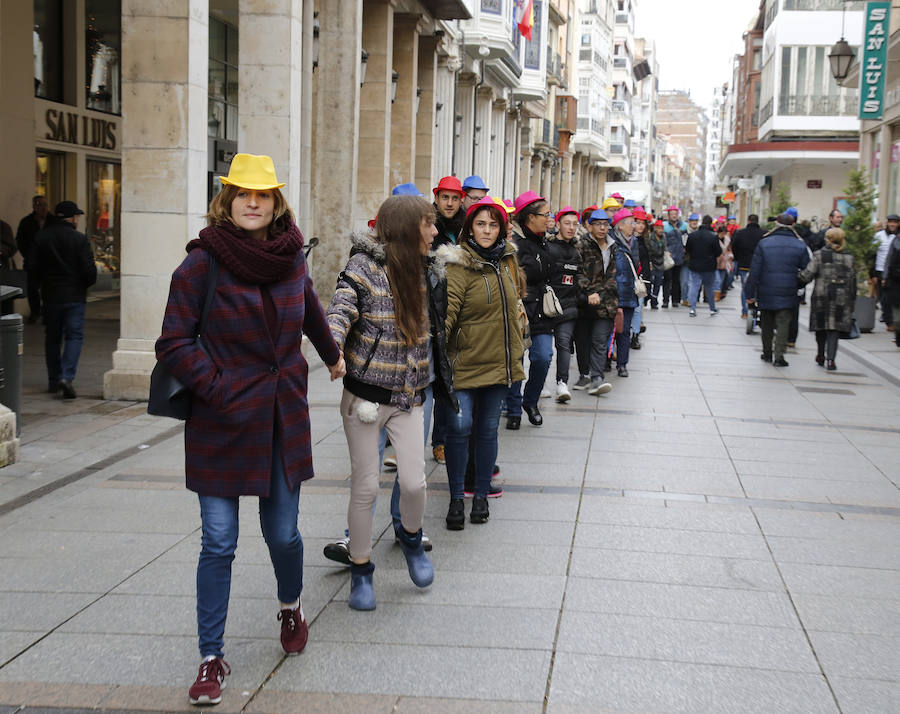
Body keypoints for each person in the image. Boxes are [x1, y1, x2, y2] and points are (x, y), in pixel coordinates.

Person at [155, 154, 344, 705]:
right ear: (228, 200)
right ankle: (210, 657)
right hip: (221, 419)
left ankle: (290, 604)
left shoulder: (291, 259)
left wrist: (332, 355)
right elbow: (173, 342)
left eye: (262, 195)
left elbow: (310, 309)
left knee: (283, 534)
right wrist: (217, 387)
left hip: (282, 415)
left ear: (276, 203)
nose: (253, 202)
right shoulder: (200, 263)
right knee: (219, 540)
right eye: (243, 193)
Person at [326, 194, 436, 611]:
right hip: (365, 399)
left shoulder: (427, 270)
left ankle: (411, 538)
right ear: (408, 228)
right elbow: (340, 310)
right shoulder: (363, 268)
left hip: (408, 397)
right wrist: (332, 348)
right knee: (367, 486)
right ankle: (361, 570)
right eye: (427, 223)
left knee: (413, 482)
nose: (434, 231)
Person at [440, 196, 525, 527]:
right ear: (470, 228)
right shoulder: (458, 265)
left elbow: (514, 308)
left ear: (501, 229)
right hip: (464, 364)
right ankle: (455, 499)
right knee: (459, 428)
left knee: (488, 431)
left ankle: (479, 497)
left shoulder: (506, 261)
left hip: (498, 365)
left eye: (493, 225)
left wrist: (517, 350)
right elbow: (447, 315)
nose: (487, 230)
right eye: (480, 224)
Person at [31, 201, 97, 399]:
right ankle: (66, 377)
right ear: (73, 218)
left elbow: (32, 267)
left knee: (52, 338)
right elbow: (89, 271)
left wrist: (41, 286)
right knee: (74, 336)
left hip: (51, 296)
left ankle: (53, 380)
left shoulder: (42, 237)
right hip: (74, 296)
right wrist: (83, 285)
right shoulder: (79, 239)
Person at [505, 190, 553, 428]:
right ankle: (513, 410)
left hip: (542, 310)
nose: (549, 219)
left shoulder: (544, 241)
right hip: (520, 309)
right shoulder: (514, 243)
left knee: (543, 357)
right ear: (530, 217)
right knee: (516, 361)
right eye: (546, 215)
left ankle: (530, 401)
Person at [745, 213, 810, 366]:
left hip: (766, 289)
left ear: (776, 225)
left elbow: (755, 270)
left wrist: (749, 293)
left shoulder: (764, 243)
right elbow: (807, 271)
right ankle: (779, 356)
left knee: (767, 322)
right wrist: (798, 285)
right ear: (792, 225)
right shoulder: (800, 245)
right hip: (788, 290)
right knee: (783, 323)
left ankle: (767, 353)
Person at [798, 228, 855, 371]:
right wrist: (852, 299)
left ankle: (820, 354)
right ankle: (831, 359)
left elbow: (808, 275)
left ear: (827, 239)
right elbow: (852, 280)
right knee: (834, 328)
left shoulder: (819, 255)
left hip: (821, 295)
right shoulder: (848, 257)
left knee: (821, 326)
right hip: (841, 297)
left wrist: (797, 276)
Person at [575, 209, 616, 395]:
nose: (602, 228)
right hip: (585, 303)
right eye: (598, 224)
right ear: (589, 226)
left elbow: (613, 275)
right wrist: (589, 292)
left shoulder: (613, 246)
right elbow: (577, 272)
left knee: (600, 341)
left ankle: (597, 378)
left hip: (607, 303)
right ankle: (584, 374)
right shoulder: (581, 245)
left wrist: (601, 294)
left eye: (605, 224)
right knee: (583, 342)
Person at [548, 206, 582, 401]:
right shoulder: (548, 247)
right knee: (542, 351)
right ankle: (540, 383)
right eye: (567, 223)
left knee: (563, 343)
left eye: (575, 224)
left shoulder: (577, 251)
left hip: (569, 306)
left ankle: (562, 383)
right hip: (547, 306)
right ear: (558, 224)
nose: (571, 228)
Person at [610, 208, 639, 377]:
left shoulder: (635, 243)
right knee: (609, 330)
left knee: (625, 330)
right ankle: (606, 360)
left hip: (629, 294)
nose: (633, 226)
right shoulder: (611, 243)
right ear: (620, 226)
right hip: (612, 294)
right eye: (630, 223)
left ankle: (622, 364)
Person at [15, 195, 51, 323]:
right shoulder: (26, 222)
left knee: (48, 289)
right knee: (32, 288)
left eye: (45, 205)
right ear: (34, 206)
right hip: (32, 262)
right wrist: (28, 255)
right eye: (40, 205)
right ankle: (35, 312)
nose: (43, 208)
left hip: (50, 262)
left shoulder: (53, 221)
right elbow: (20, 240)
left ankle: (47, 314)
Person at [685, 216, 722, 317]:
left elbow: (687, 249)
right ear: (710, 224)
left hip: (694, 265)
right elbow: (718, 252)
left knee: (694, 286)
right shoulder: (713, 236)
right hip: (709, 266)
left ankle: (692, 309)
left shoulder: (692, 235)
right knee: (709, 288)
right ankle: (712, 309)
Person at [732, 214, 765, 319]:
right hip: (760, 266)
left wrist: (738, 258)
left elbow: (734, 246)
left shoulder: (740, 233)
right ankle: (757, 310)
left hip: (744, 265)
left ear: (748, 221)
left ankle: (745, 312)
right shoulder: (764, 234)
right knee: (759, 288)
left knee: (745, 287)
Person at [874, 214, 899, 331]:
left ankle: (893, 320)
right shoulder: (879, 236)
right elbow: (873, 254)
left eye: (895, 222)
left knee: (894, 298)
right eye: (890, 222)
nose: (892, 224)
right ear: (887, 222)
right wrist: (873, 273)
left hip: (895, 272)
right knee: (884, 299)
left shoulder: (898, 237)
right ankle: (890, 322)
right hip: (881, 271)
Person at [630, 209, 650, 350]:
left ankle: (635, 336)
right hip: (629, 279)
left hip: (640, 281)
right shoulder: (629, 240)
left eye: (643, 223)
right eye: (638, 222)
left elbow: (646, 263)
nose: (641, 226)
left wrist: (647, 281)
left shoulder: (643, 240)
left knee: (638, 309)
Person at [432, 176, 466, 249]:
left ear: (460, 202)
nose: (449, 203)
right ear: (436, 199)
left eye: (455, 198)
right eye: (445, 197)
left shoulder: (467, 225)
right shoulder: (426, 224)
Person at [662, 206, 686, 308]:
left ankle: (675, 300)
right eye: (672, 214)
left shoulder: (684, 226)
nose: (674, 216)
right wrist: (665, 251)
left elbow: (686, 240)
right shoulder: (664, 226)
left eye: (675, 214)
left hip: (679, 257)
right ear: (668, 215)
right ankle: (665, 301)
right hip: (668, 257)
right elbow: (662, 240)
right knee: (667, 280)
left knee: (677, 280)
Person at [882, 225, 900, 348]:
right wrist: (885, 276)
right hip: (896, 282)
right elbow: (888, 260)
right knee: (897, 319)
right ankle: (898, 335)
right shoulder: (897, 240)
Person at [646, 219, 666, 309]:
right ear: (655, 228)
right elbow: (652, 251)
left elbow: (664, 248)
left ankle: (654, 301)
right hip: (652, 263)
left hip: (660, 263)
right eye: (659, 228)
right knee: (650, 282)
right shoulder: (651, 237)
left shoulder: (664, 237)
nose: (660, 230)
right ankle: (648, 298)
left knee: (658, 283)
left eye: (662, 228)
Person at [715, 220, 733, 299]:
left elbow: (729, 250)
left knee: (721, 280)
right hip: (715, 262)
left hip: (724, 263)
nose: (723, 235)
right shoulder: (714, 239)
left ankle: (718, 295)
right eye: (722, 233)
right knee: (717, 280)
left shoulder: (727, 240)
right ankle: (715, 295)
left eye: (725, 233)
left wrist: (730, 258)